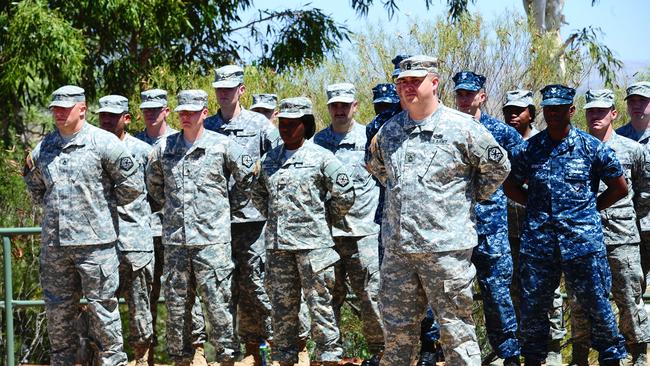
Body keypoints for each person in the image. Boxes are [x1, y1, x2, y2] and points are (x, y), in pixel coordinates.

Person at [367, 55, 511, 365]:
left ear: (434, 83)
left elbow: (498, 167)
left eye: (414, 81)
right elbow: (378, 169)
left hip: (446, 251)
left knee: (457, 335)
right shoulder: (390, 131)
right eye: (402, 82)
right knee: (397, 338)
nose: (407, 87)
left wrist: (463, 199)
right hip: (398, 253)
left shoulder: (463, 128)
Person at [503, 84, 628, 366]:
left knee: (597, 303)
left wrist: (588, 211)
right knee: (534, 307)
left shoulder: (591, 147)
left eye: (559, 108)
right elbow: (509, 185)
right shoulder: (529, 150)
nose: (554, 114)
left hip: (583, 243)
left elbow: (620, 187)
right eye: (549, 109)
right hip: (539, 244)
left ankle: (610, 357)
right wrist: (535, 206)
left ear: (571, 110)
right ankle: (534, 358)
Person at [23, 85, 143, 366]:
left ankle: (113, 362)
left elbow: (132, 187)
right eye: (56, 109)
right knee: (58, 312)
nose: (60, 113)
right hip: (56, 248)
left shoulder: (105, 143)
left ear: (83, 109)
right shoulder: (45, 148)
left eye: (66, 108)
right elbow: (36, 189)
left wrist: (98, 212)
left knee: (103, 311)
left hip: (96, 246)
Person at [146, 90, 255, 366]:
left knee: (219, 302)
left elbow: (249, 179)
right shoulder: (164, 148)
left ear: (204, 114)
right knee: (178, 304)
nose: (186, 116)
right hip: (176, 241)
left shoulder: (223, 145)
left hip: (213, 240)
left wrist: (225, 208)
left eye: (192, 112)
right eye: (182, 112)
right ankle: (187, 356)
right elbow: (154, 186)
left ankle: (227, 357)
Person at [252, 97, 354, 366]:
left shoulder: (321, 157)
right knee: (282, 310)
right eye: (281, 124)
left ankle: (329, 357)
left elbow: (344, 194)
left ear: (305, 125)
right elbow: (258, 195)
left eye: (292, 124)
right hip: (278, 249)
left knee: (320, 306)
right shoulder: (268, 160)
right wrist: (277, 219)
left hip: (314, 247)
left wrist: (321, 219)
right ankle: (284, 358)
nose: (285, 129)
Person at [570, 89, 650, 366]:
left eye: (602, 111)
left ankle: (638, 352)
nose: (595, 115)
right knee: (581, 299)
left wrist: (624, 216)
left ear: (613, 114)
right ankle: (580, 352)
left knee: (629, 295)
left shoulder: (633, 149)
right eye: (591, 110)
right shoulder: (574, 147)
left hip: (622, 235)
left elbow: (643, 194)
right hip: (583, 237)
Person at [205, 65, 277, 363]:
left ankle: (269, 345)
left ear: (241, 91)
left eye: (229, 89)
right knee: (221, 289)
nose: (224, 94)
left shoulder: (259, 125)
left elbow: (278, 159)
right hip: (216, 222)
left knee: (256, 285)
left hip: (252, 221)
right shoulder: (206, 126)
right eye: (219, 89)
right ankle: (229, 353)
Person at [452, 71, 524, 366]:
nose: (465, 99)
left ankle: (508, 352)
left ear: (482, 96)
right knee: (455, 293)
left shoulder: (501, 131)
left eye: (470, 94)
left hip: (492, 226)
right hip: (455, 225)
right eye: (460, 94)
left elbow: (522, 164)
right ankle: (459, 353)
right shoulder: (448, 128)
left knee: (496, 291)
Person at [313, 83, 384, 365]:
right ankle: (330, 355)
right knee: (327, 298)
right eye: (334, 106)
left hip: (363, 232)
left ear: (355, 106)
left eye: (345, 105)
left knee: (371, 296)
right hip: (327, 235)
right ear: (329, 108)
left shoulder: (372, 138)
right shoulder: (317, 143)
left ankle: (381, 352)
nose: (340, 110)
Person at [136, 89, 207, 365]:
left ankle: (196, 348)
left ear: (166, 111)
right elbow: (152, 187)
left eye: (156, 109)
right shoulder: (134, 142)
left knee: (186, 294)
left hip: (179, 232)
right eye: (146, 110)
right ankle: (146, 352)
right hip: (144, 231)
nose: (151, 114)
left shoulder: (180, 141)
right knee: (146, 295)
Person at [502, 89, 565, 365]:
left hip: (542, 232)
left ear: (531, 112)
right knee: (514, 291)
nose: (512, 115)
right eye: (508, 111)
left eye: (518, 110)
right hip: (508, 232)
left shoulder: (544, 143)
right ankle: (523, 346)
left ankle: (553, 345)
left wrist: (534, 205)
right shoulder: (500, 142)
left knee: (547, 291)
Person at [97, 95, 155, 365]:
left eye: (113, 116)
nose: (107, 120)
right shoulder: (91, 148)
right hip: (101, 242)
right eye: (103, 115)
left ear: (126, 118)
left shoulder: (143, 151)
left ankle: (142, 358)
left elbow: (157, 192)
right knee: (102, 305)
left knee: (140, 305)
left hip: (135, 241)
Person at [615, 81, 650, 295]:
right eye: (632, 101)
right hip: (628, 229)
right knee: (633, 289)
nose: (637, 105)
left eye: (643, 100)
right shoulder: (617, 139)